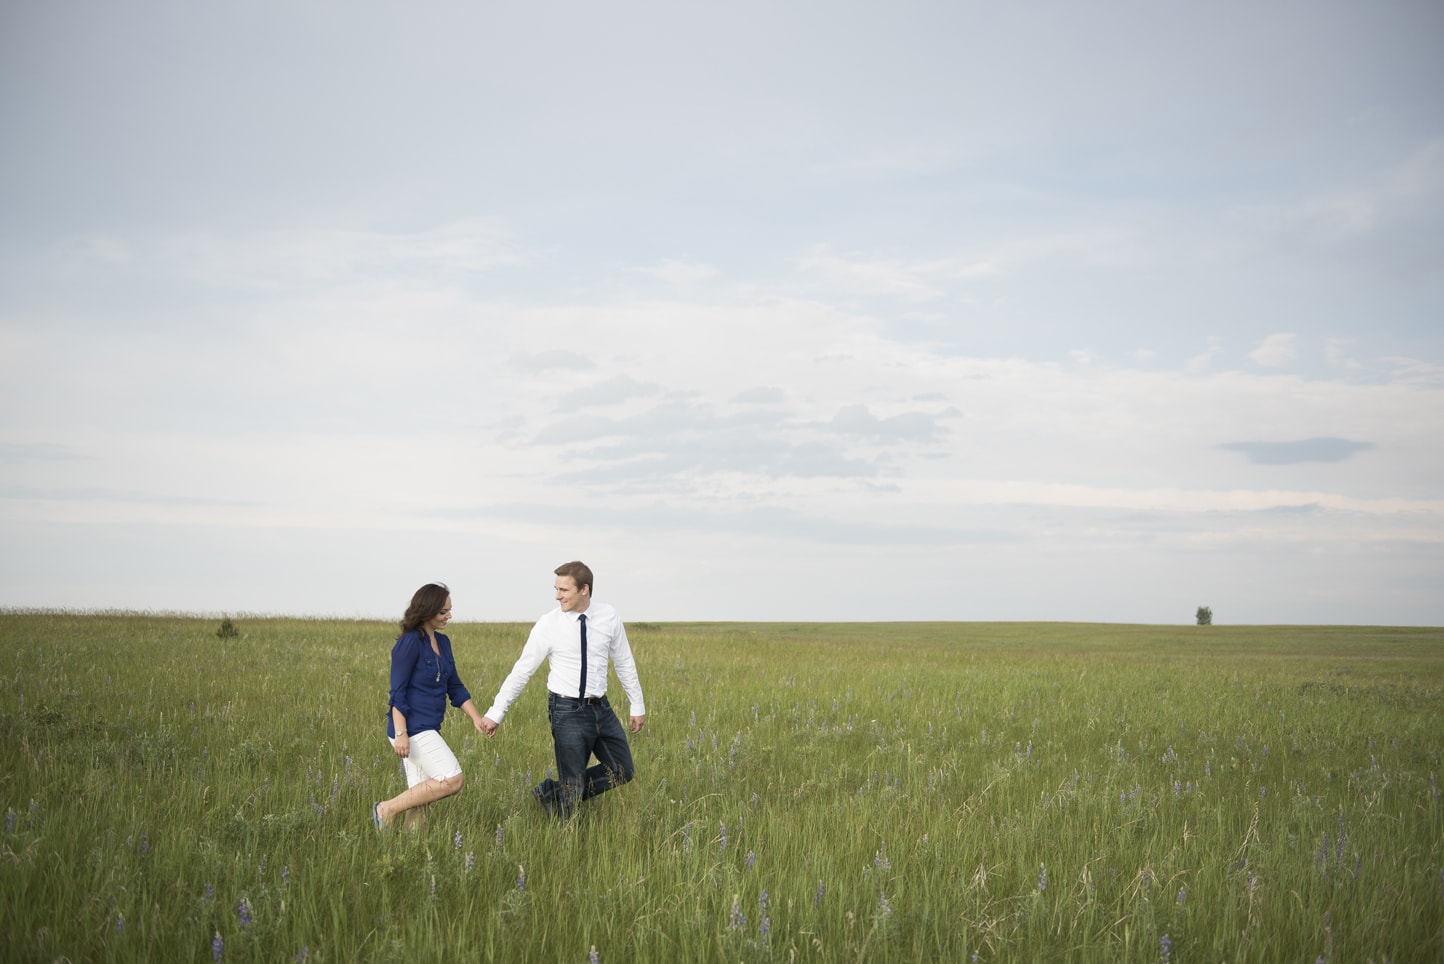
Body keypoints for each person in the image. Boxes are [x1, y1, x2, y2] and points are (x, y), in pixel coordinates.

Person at [480, 561, 646, 819]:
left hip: (601, 708)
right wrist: (496, 711)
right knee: (573, 788)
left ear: (584, 589)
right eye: (556, 588)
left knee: (623, 769)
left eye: (564, 590)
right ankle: (566, 835)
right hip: (566, 711)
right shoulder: (549, 624)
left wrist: (637, 704)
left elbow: (624, 661)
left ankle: (550, 793)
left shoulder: (609, 616)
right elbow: (522, 670)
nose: (557, 595)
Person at [373, 582, 486, 830]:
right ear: (427, 611)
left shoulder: (443, 643)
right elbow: (397, 692)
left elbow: (455, 686)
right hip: (412, 729)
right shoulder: (409, 643)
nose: (449, 616)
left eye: (449, 610)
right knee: (452, 779)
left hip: (428, 727)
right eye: (443, 612)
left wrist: (476, 719)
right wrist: (401, 733)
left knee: (419, 801)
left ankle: (411, 853)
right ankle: (386, 808)